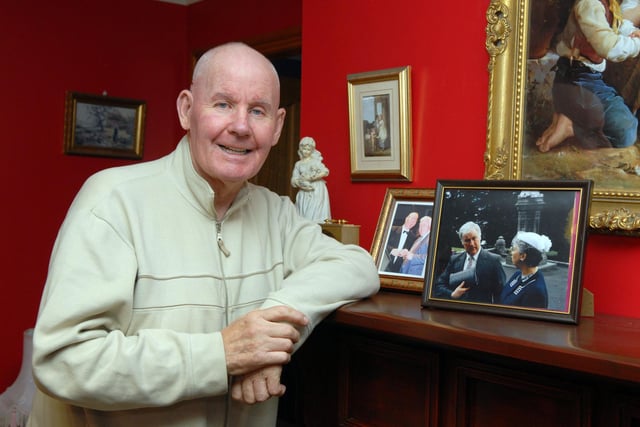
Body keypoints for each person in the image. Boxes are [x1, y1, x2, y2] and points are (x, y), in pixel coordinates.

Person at [27, 42, 379, 427]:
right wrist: (221, 355)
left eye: (257, 111)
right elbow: (63, 360)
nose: (241, 126)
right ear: (186, 109)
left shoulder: (277, 212)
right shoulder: (112, 202)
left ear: (277, 127)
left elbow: (357, 265)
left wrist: (269, 329)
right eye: (223, 104)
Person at [535, 0, 640, 152]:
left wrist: (633, 32)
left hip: (589, 79)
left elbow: (618, 26)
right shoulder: (589, 4)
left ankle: (569, 117)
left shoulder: (608, 4)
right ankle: (572, 126)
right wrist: (638, 44)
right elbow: (608, 47)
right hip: (576, 80)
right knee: (626, 133)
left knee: (627, 125)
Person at [433, 221, 506, 303]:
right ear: (462, 242)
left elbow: (501, 292)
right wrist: (452, 294)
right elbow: (439, 285)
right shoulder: (454, 260)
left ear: (480, 237)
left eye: (474, 238)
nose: (471, 243)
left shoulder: (493, 261)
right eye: (467, 240)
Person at [500, 232, 552, 308]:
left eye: (514, 249)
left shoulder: (536, 291)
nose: (510, 252)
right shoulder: (518, 274)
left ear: (523, 256)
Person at [290, 136, 331, 222]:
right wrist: (300, 183)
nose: (306, 152)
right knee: (303, 217)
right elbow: (293, 179)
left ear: (312, 150)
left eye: (309, 150)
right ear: (301, 149)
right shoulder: (298, 164)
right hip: (304, 191)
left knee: (314, 216)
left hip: (316, 190)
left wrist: (313, 178)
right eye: (304, 149)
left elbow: (326, 172)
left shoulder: (315, 161)